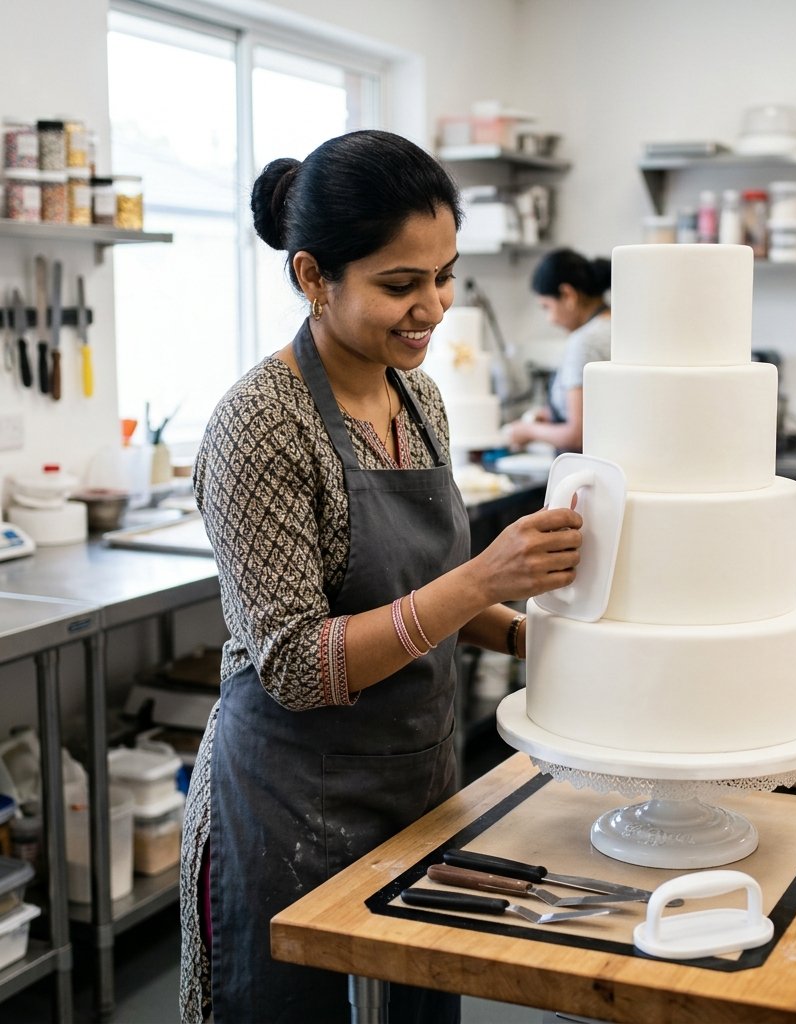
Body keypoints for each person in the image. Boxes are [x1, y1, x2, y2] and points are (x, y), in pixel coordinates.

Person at [178, 130, 583, 1024]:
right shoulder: (262, 423)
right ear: (313, 277)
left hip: (415, 787)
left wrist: (536, 639)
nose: (432, 308)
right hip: (290, 804)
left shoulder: (418, 398)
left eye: (443, 275)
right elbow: (296, 664)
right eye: (399, 285)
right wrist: (484, 581)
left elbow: (423, 588)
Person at [502, 248, 611, 453]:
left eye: (547, 307)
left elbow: (577, 435)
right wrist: (551, 415)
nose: (550, 319)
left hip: (588, 472)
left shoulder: (584, 342)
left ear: (568, 295)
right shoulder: (616, 325)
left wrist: (527, 431)